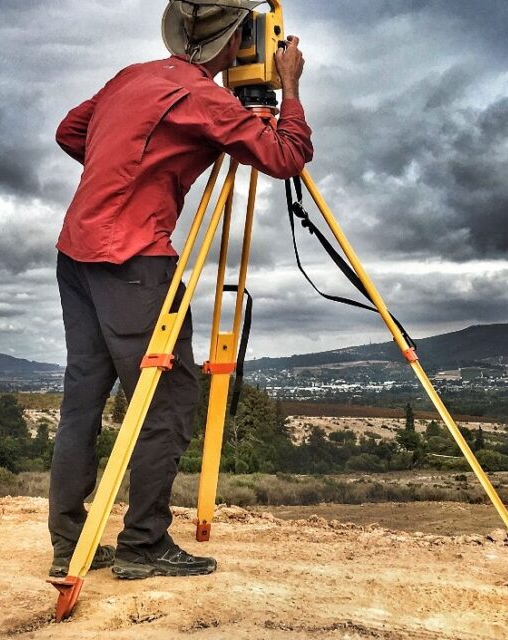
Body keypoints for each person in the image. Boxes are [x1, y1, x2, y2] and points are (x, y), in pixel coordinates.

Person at [48, 0, 312, 580]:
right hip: (135, 259)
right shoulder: (205, 100)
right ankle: (143, 544)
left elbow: (71, 130)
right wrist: (289, 88)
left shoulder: (133, 76)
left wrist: (130, 165)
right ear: (233, 42)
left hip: (76, 249)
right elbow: (286, 156)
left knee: (82, 400)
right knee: (166, 402)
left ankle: (71, 542)